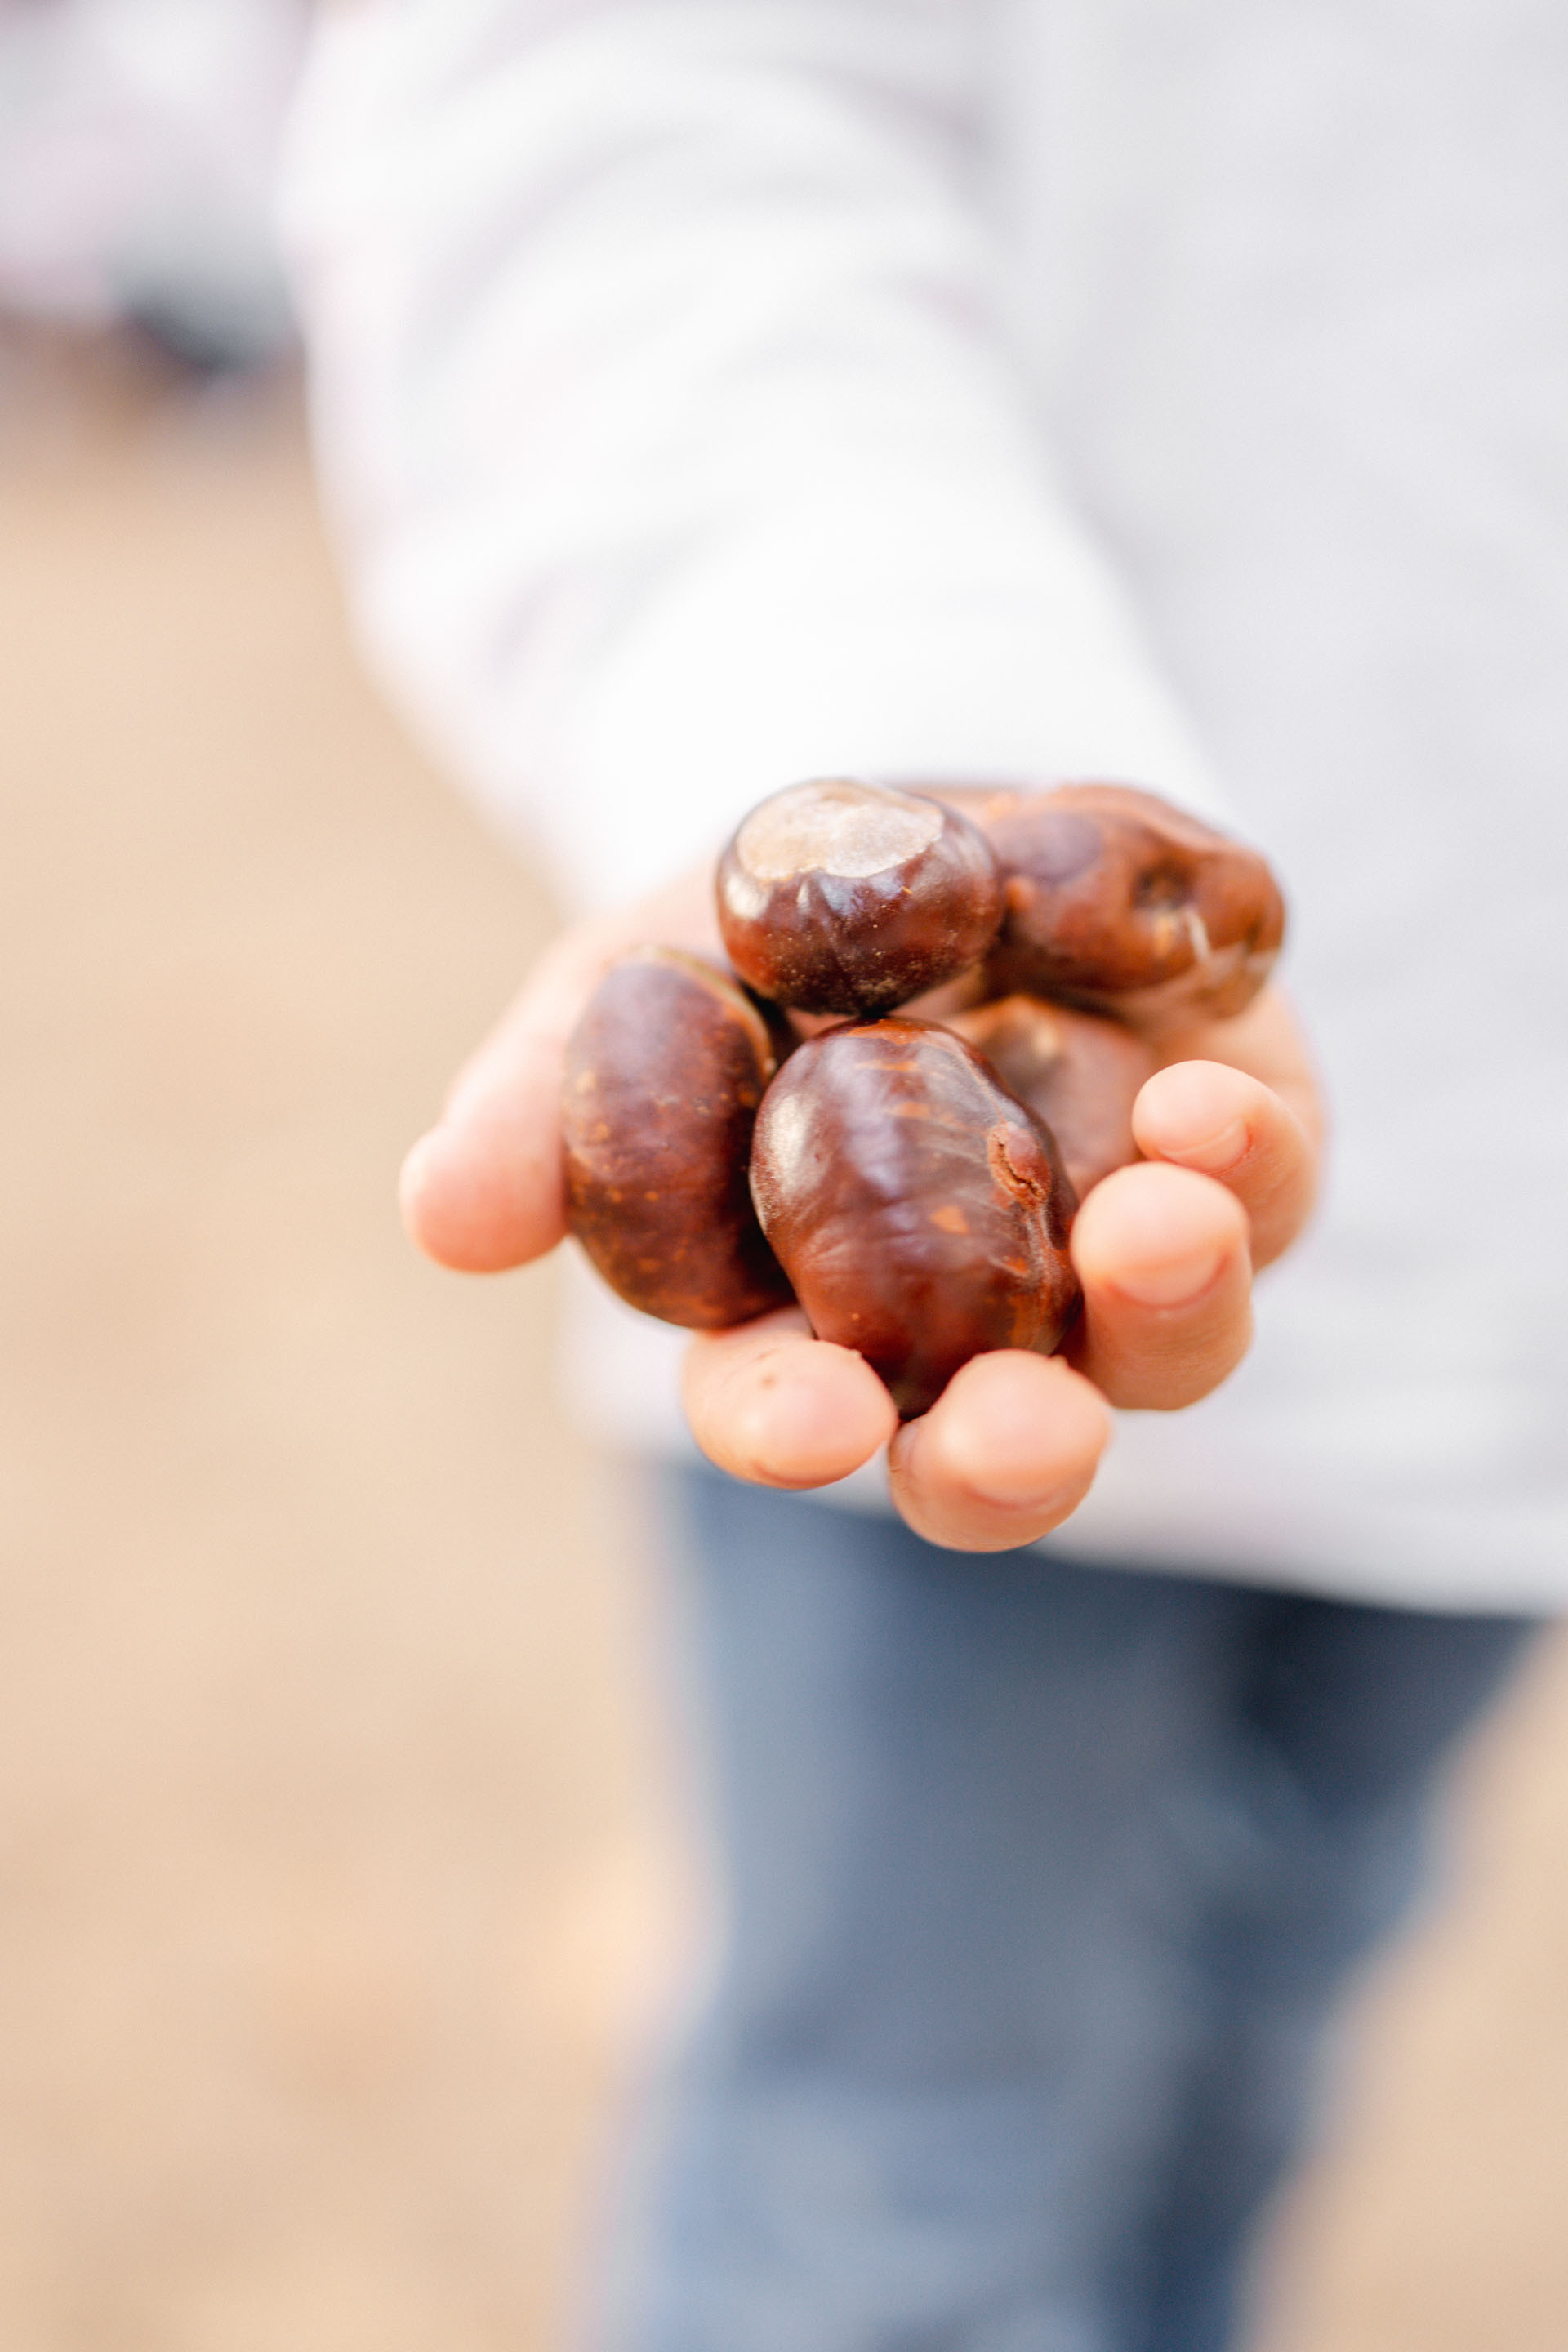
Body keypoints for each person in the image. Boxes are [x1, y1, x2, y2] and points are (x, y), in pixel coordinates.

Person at [278, 3, 1566, 2344]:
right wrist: (843, 662)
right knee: (893, 2186)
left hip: (1517, 1297)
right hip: (990, 1398)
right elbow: (613, 94)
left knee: (1250, 2066)